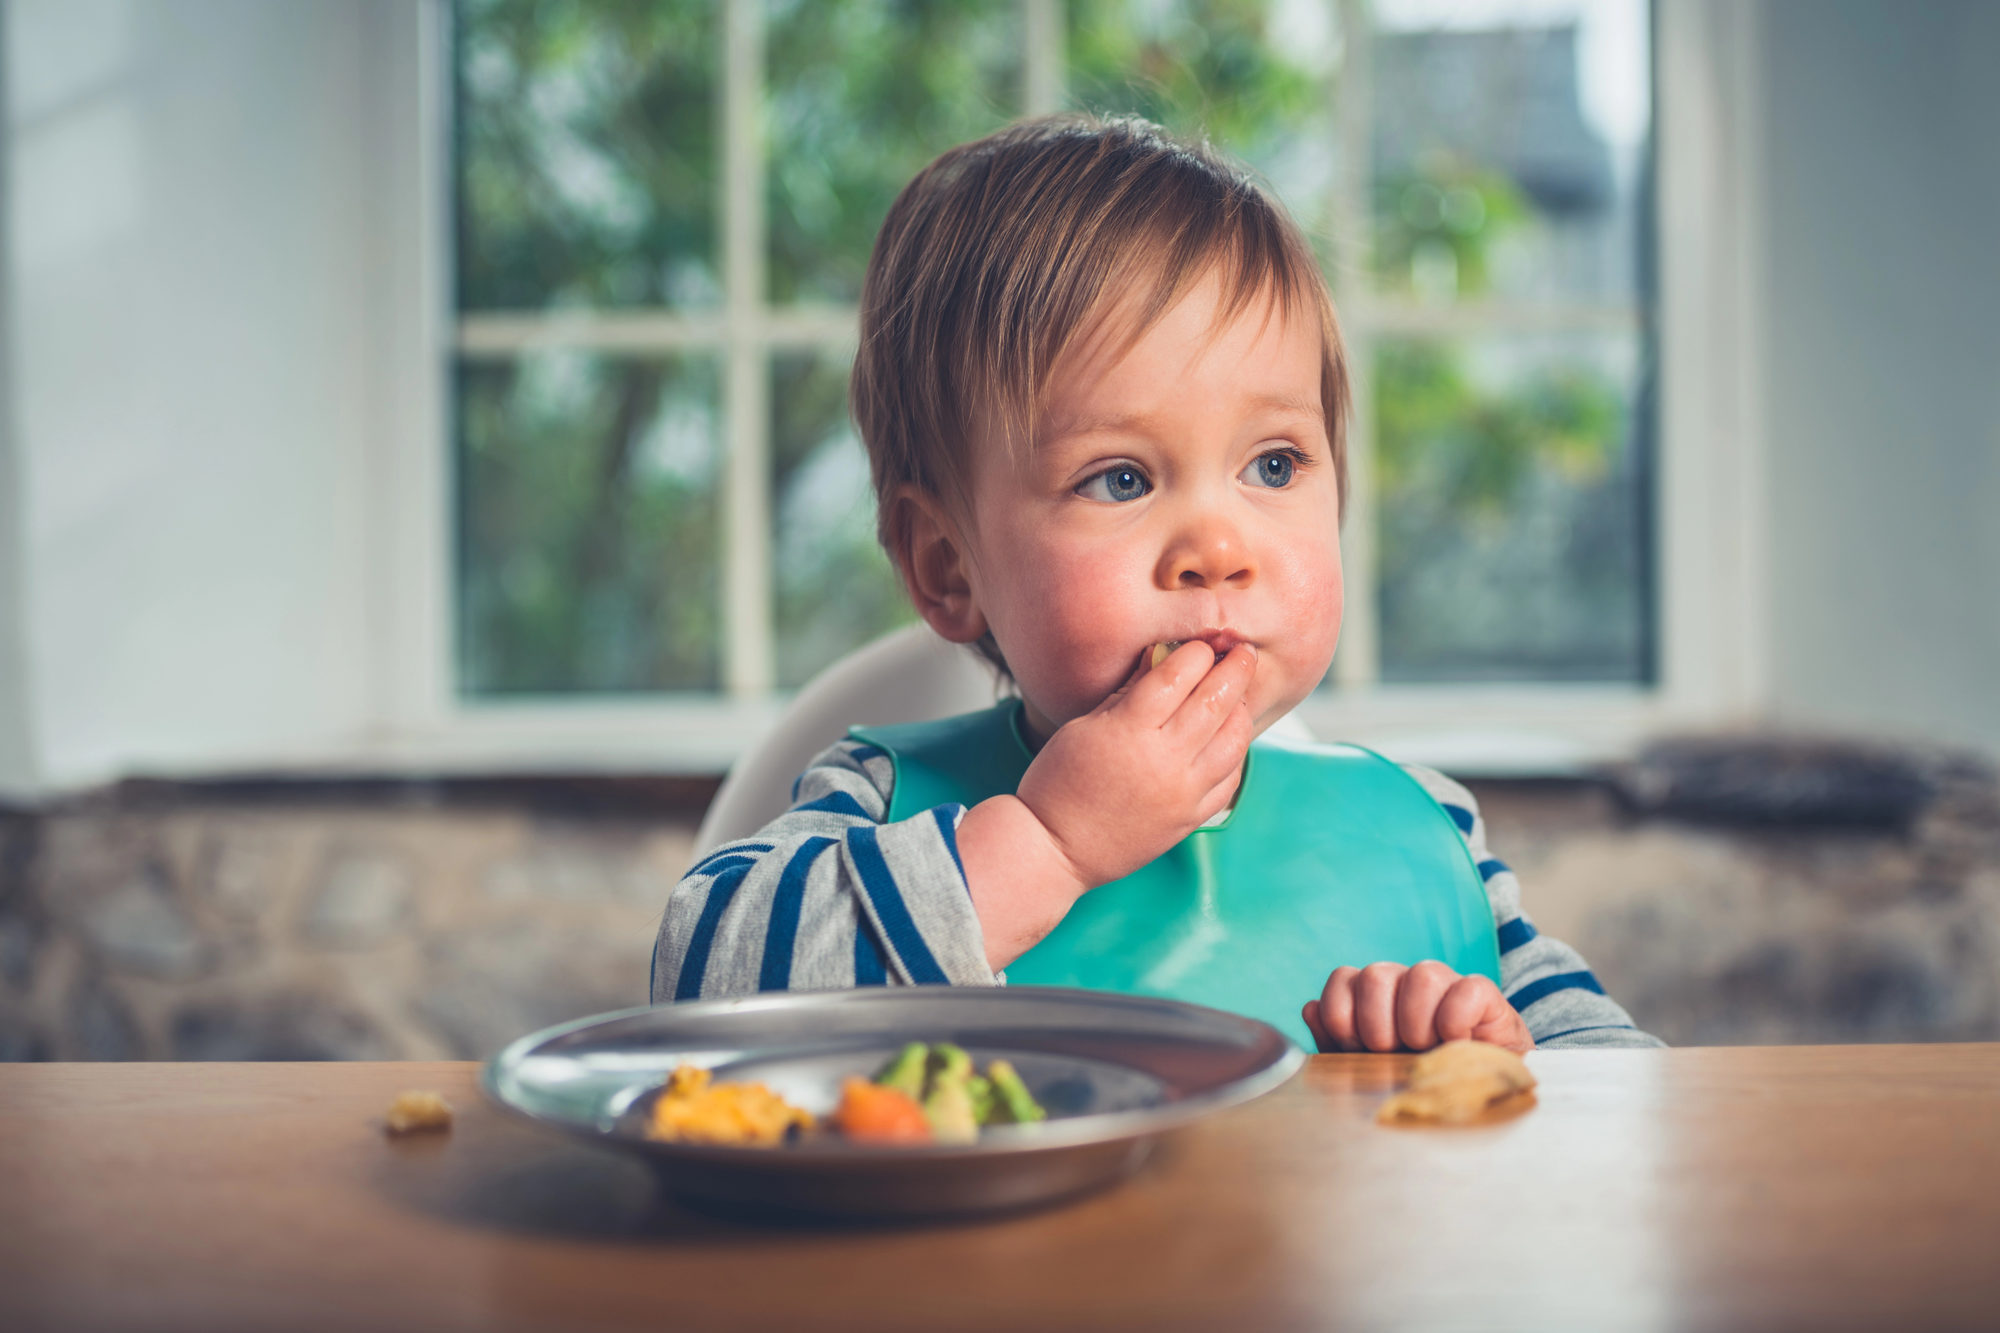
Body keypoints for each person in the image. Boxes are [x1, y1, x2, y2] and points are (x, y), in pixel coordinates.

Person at [652, 114, 1661, 1052]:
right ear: (946, 567)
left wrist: (1489, 1054)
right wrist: (1046, 845)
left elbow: (1623, 1094)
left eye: (1273, 465)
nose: (1216, 548)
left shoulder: (1421, 834)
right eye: (1120, 478)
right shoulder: (876, 804)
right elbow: (697, 995)